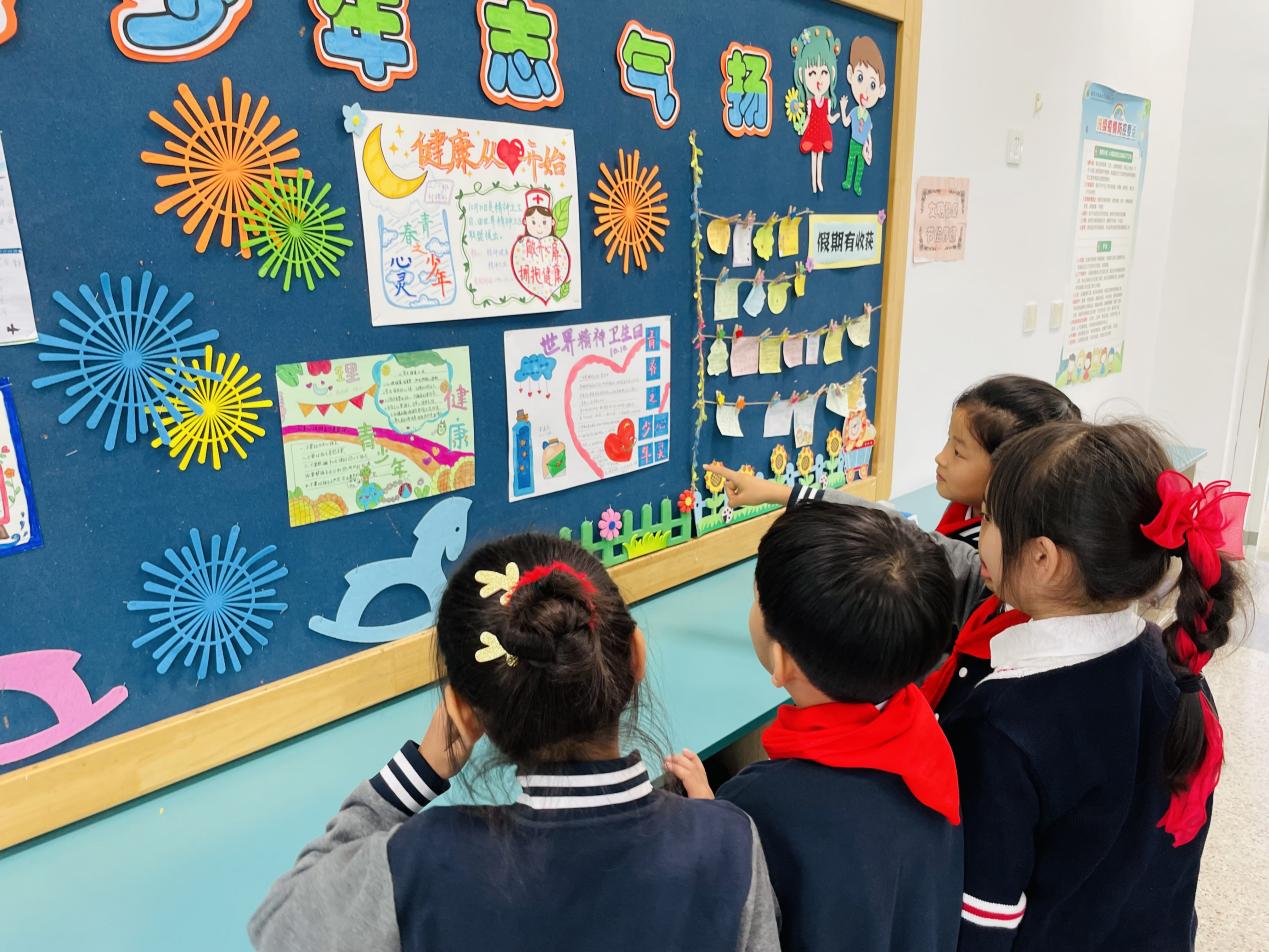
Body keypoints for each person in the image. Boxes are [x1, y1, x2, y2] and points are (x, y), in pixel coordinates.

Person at [250, 534, 780, 952]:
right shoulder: (729, 842)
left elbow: (281, 924)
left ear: (463, 710)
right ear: (637, 657)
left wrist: (419, 772)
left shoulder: (419, 863)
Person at [946, 422, 1249, 949]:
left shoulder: (999, 723)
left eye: (990, 517)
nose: (980, 531)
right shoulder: (1180, 667)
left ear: (1042, 558)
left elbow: (982, 918)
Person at [666, 503, 963, 952]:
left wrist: (715, 820)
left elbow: (735, 910)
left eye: (756, 599)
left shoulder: (763, 801)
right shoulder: (928, 738)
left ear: (782, 661)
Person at [707, 374, 1080, 715]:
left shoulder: (997, 601)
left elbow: (904, 534)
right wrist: (782, 493)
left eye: (958, 451)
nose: (940, 457)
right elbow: (896, 525)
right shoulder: (985, 549)